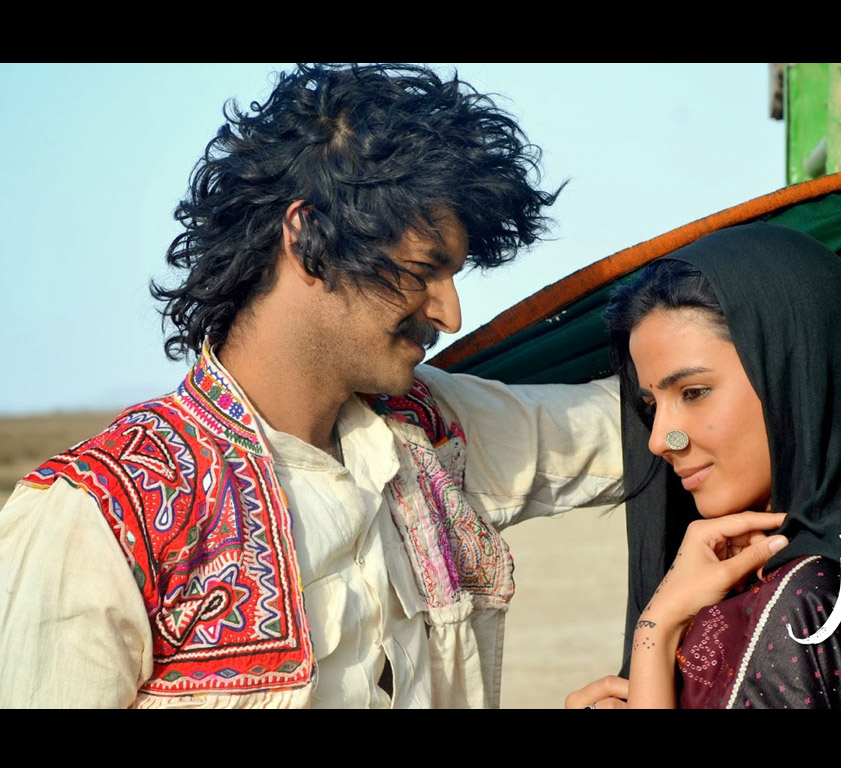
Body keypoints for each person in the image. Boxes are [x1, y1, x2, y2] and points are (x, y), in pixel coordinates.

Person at [0, 63, 623, 708]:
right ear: (307, 236)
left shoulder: (431, 434)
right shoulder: (98, 518)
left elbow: (637, 424)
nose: (450, 315)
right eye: (422, 270)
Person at [572, 222, 841, 708]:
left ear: (794, 380)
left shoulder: (808, 603)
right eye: (652, 406)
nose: (658, 440)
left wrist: (656, 633)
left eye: (693, 392)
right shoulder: (838, 571)